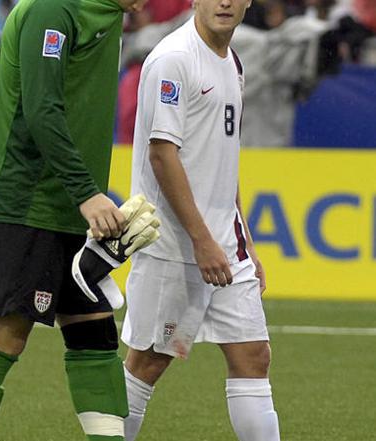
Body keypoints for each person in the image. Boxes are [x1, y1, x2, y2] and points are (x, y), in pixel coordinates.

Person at [0, 0, 149, 440]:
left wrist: (84, 196)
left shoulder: (108, 13)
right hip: (25, 202)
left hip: (70, 207)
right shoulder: (53, 8)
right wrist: (87, 193)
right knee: (3, 336)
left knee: (95, 336)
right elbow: (41, 108)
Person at [120, 1, 281, 441]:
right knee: (147, 363)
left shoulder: (233, 63)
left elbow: (223, 160)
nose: (224, 2)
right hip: (173, 244)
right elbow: (161, 154)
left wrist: (243, 239)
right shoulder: (173, 59)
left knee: (253, 357)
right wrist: (201, 239)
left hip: (226, 245)